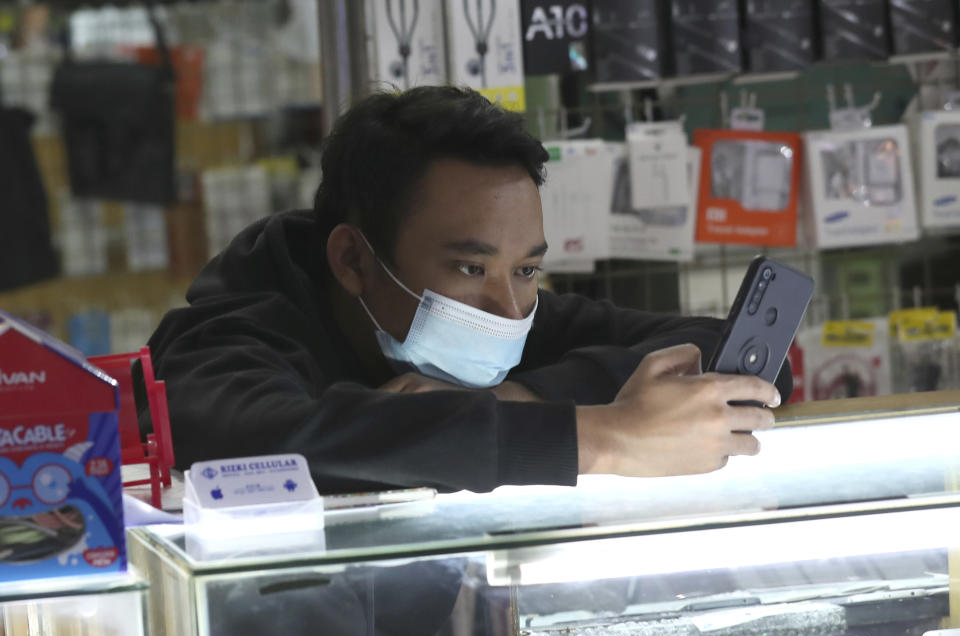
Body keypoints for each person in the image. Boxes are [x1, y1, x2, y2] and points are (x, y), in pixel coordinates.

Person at [147, 86, 790, 495]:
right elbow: (270, 441)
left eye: (528, 269)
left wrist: (517, 395)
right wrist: (602, 437)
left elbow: (743, 359)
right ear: (352, 259)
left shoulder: (510, 316)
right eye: (470, 269)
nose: (509, 310)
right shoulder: (226, 338)